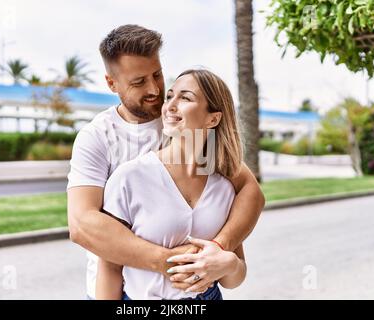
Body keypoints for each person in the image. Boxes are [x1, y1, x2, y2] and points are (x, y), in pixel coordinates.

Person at [67, 25, 265, 300]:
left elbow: (247, 190)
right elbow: (82, 225)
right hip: (127, 292)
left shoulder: (189, 129)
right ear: (112, 83)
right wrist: (169, 261)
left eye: (157, 75)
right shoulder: (99, 138)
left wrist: (220, 249)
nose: (154, 90)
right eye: (138, 82)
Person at [96, 69, 247, 300]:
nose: (169, 106)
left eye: (185, 98)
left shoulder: (225, 188)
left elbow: (232, 279)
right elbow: (109, 268)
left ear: (213, 118)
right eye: (169, 96)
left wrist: (230, 264)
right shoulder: (129, 177)